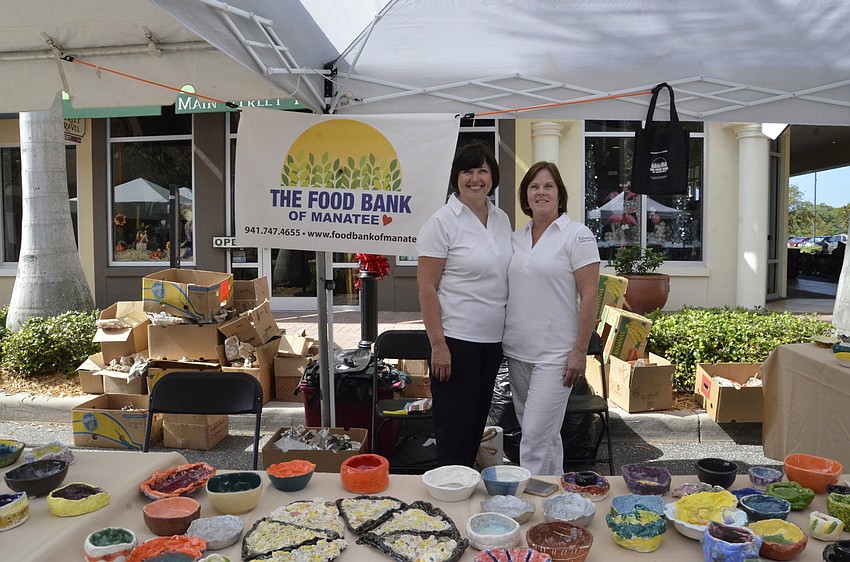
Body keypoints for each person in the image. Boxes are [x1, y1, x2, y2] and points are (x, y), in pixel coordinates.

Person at [416, 141, 513, 467]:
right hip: (456, 343)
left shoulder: (501, 219)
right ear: (456, 177)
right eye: (467, 171)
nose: (475, 178)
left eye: (483, 171)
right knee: (454, 433)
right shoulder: (442, 223)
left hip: (492, 343)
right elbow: (427, 288)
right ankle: (450, 504)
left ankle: (466, 498)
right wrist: (438, 344)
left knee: (474, 430)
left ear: (493, 176)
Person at [502, 161, 600, 476]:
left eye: (548, 186)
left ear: (560, 195)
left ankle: (530, 504)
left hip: (556, 355)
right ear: (525, 196)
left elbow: (589, 298)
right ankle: (555, 501)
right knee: (544, 436)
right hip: (517, 352)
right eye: (534, 187)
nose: (541, 192)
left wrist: (579, 351)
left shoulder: (577, 235)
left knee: (532, 437)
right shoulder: (515, 239)